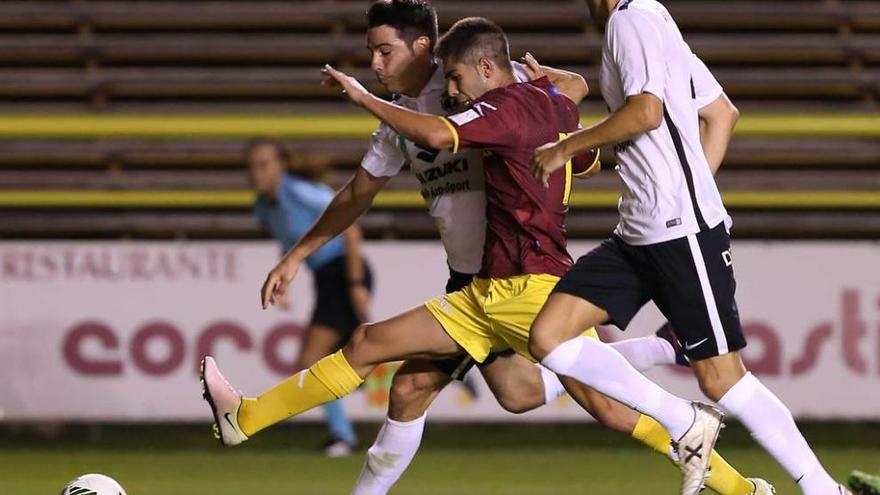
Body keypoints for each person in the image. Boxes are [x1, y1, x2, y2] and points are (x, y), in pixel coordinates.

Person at [201, 17, 725, 495]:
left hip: (524, 280)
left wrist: (363, 95)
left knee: (603, 403)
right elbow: (358, 193)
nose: (377, 64)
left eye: (385, 51)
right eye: (371, 54)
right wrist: (297, 255)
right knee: (472, 391)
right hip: (478, 284)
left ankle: (729, 475)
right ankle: (670, 378)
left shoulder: (491, 92)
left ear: (422, 47)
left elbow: (555, 95)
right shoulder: (411, 117)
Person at [528, 1, 851, 494]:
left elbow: (646, 112)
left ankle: (824, 490)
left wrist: (565, 147)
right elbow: (722, 114)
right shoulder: (655, 19)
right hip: (639, 231)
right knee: (548, 337)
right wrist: (689, 187)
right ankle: (682, 416)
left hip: (678, 234)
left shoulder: (627, 20)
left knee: (724, 379)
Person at [246, 137, 372, 456]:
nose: (257, 173)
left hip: (343, 272)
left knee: (311, 361)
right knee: (346, 356)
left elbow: (351, 229)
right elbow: (291, 243)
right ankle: (342, 433)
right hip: (327, 278)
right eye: (252, 167)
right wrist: (283, 277)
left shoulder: (298, 191)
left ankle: (342, 436)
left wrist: (355, 282)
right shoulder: (263, 206)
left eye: (264, 165)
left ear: (281, 165)